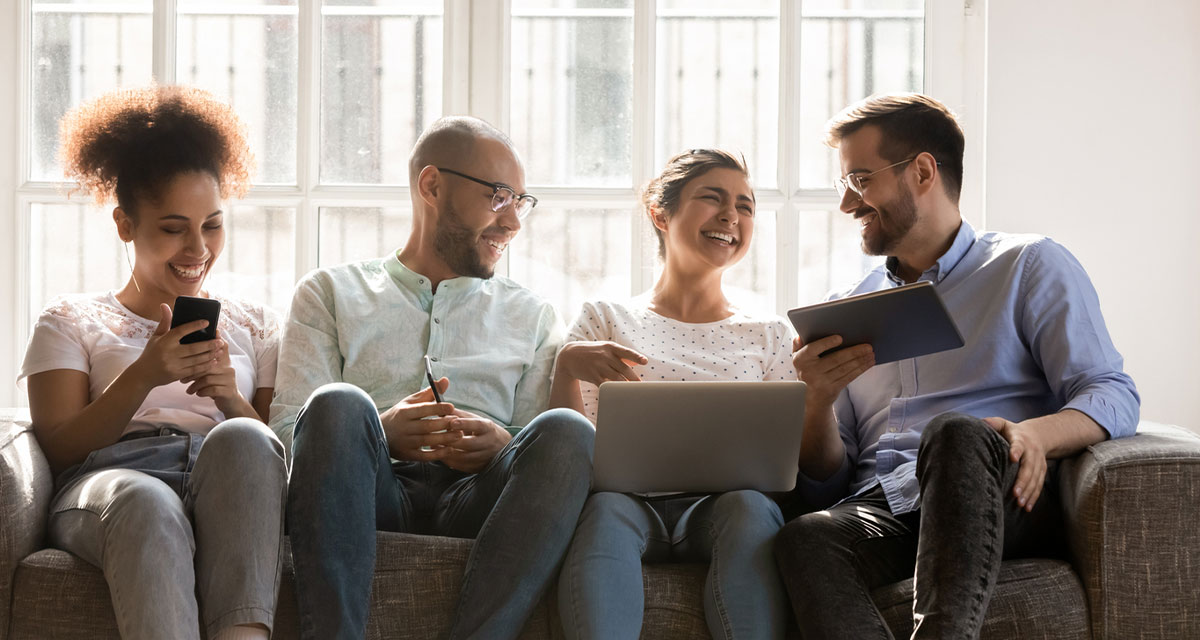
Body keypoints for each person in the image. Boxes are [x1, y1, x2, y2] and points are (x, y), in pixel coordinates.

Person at [773, 93, 1140, 639]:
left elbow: (1113, 392)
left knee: (953, 434)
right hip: (891, 504)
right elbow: (832, 485)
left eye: (860, 180)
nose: (848, 205)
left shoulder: (1028, 264)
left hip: (998, 489)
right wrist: (817, 401)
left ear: (921, 171)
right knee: (806, 536)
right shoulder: (846, 304)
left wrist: (1035, 434)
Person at [273, 115, 595, 640]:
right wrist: (382, 431)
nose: (513, 222)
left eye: (521, 201)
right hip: (372, 491)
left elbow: (544, 460)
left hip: (480, 499)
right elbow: (291, 437)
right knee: (337, 404)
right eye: (499, 196)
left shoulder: (534, 316)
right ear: (431, 186)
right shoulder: (329, 293)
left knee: (569, 431)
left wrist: (501, 443)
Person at [18, 86, 287, 640]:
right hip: (114, 484)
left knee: (245, 438)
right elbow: (59, 446)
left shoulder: (257, 323)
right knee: (146, 500)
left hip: (223, 480)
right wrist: (143, 374)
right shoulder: (70, 319)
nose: (198, 249)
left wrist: (229, 399)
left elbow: (275, 463)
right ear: (124, 225)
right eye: (172, 228)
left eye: (212, 224)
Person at [552, 149, 793, 640]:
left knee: (750, 507)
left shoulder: (769, 333)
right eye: (713, 198)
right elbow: (566, 448)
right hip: (623, 502)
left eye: (745, 206)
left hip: (726, 509)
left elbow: (788, 451)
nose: (732, 215)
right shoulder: (605, 318)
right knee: (604, 512)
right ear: (660, 213)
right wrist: (565, 367)